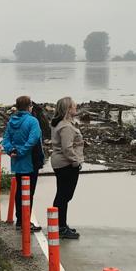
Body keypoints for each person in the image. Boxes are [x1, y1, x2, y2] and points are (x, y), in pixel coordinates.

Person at [2, 95, 43, 233]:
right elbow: (33, 139)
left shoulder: (12, 121)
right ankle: (25, 221)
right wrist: (21, 151)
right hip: (30, 161)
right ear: (29, 106)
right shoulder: (33, 121)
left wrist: (11, 150)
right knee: (28, 193)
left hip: (17, 162)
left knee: (20, 191)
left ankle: (20, 220)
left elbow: (6, 139)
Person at [50, 96, 84, 240]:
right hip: (66, 164)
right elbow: (67, 148)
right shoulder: (66, 127)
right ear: (68, 109)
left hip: (61, 163)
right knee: (64, 195)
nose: (76, 107)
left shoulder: (62, 124)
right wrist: (76, 161)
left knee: (63, 195)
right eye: (74, 106)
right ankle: (61, 227)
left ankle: (60, 224)